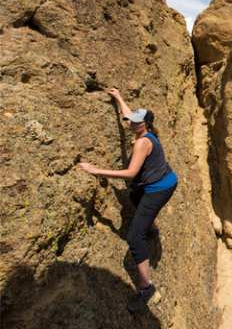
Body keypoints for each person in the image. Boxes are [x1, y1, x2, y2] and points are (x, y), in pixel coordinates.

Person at [77, 87, 178, 312]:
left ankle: (146, 288)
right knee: (133, 194)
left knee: (134, 237)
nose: (130, 123)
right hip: (164, 180)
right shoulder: (144, 130)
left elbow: (131, 173)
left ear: (145, 125)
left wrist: (96, 170)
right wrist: (119, 97)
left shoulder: (142, 142)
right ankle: (150, 226)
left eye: (135, 122)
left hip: (160, 188)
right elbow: (129, 115)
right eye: (131, 120)